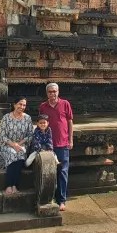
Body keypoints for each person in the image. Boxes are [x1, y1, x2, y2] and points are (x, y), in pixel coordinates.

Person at [38, 82, 73, 211]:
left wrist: (71, 140)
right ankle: (50, 197)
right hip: (48, 145)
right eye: (50, 92)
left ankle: (62, 200)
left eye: (54, 91)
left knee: (63, 172)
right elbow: (41, 125)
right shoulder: (43, 106)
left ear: (58, 92)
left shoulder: (65, 104)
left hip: (63, 143)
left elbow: (69, 122)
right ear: (47, 93)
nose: (52, 93)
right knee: (48, 172)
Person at [0, 97, 32, 195]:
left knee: (20, 155)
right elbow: (3, 135)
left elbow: (30, 135)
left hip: (21, 144)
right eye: (20, 104)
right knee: (13, 154)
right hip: (8, 145)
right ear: (14, 104)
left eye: (24, 105)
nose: (22, 107)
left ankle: (15, 185)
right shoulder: (6, 118)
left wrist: (19, 144)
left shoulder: (28, 118)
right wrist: (13, 145)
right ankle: (9, 185)